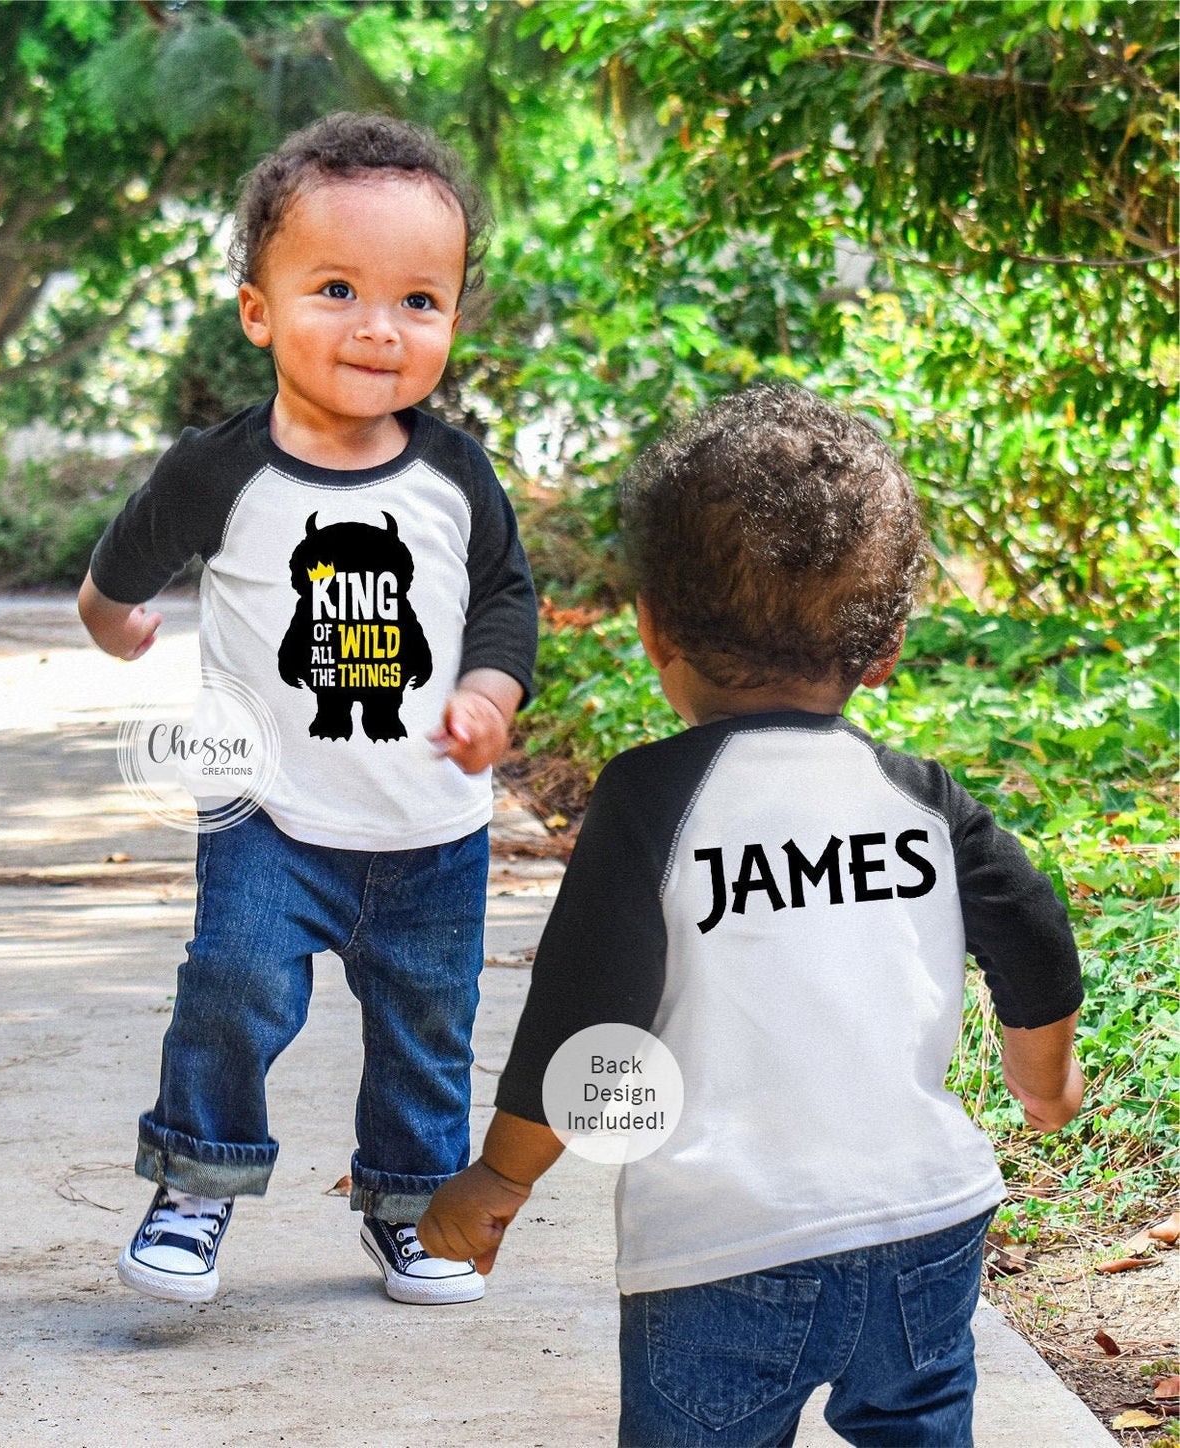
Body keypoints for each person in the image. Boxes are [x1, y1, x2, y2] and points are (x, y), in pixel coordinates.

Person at [418, 385, 1084, 1443]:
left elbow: (590, 1021)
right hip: (924, 1225)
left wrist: (500, 1175)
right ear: (885, 644)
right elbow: (1034, 932)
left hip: (724, 1250)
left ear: (651, 632)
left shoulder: (649, 801)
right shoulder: (921, 797)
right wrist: (1040, 1079)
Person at [78, 113, 537, 1307]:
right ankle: (195, 1184)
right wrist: (110, 617)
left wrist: (489, 689)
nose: (379, 327)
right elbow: (121, 561)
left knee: (429, 1027)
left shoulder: (454, 476)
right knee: (228, 987)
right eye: (336, 289)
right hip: (268, 817)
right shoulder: (218, 470)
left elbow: (502, 597)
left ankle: (409, 1204)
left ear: (449, 318)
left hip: (430, 827)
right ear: (257, 310)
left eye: (418, 301)